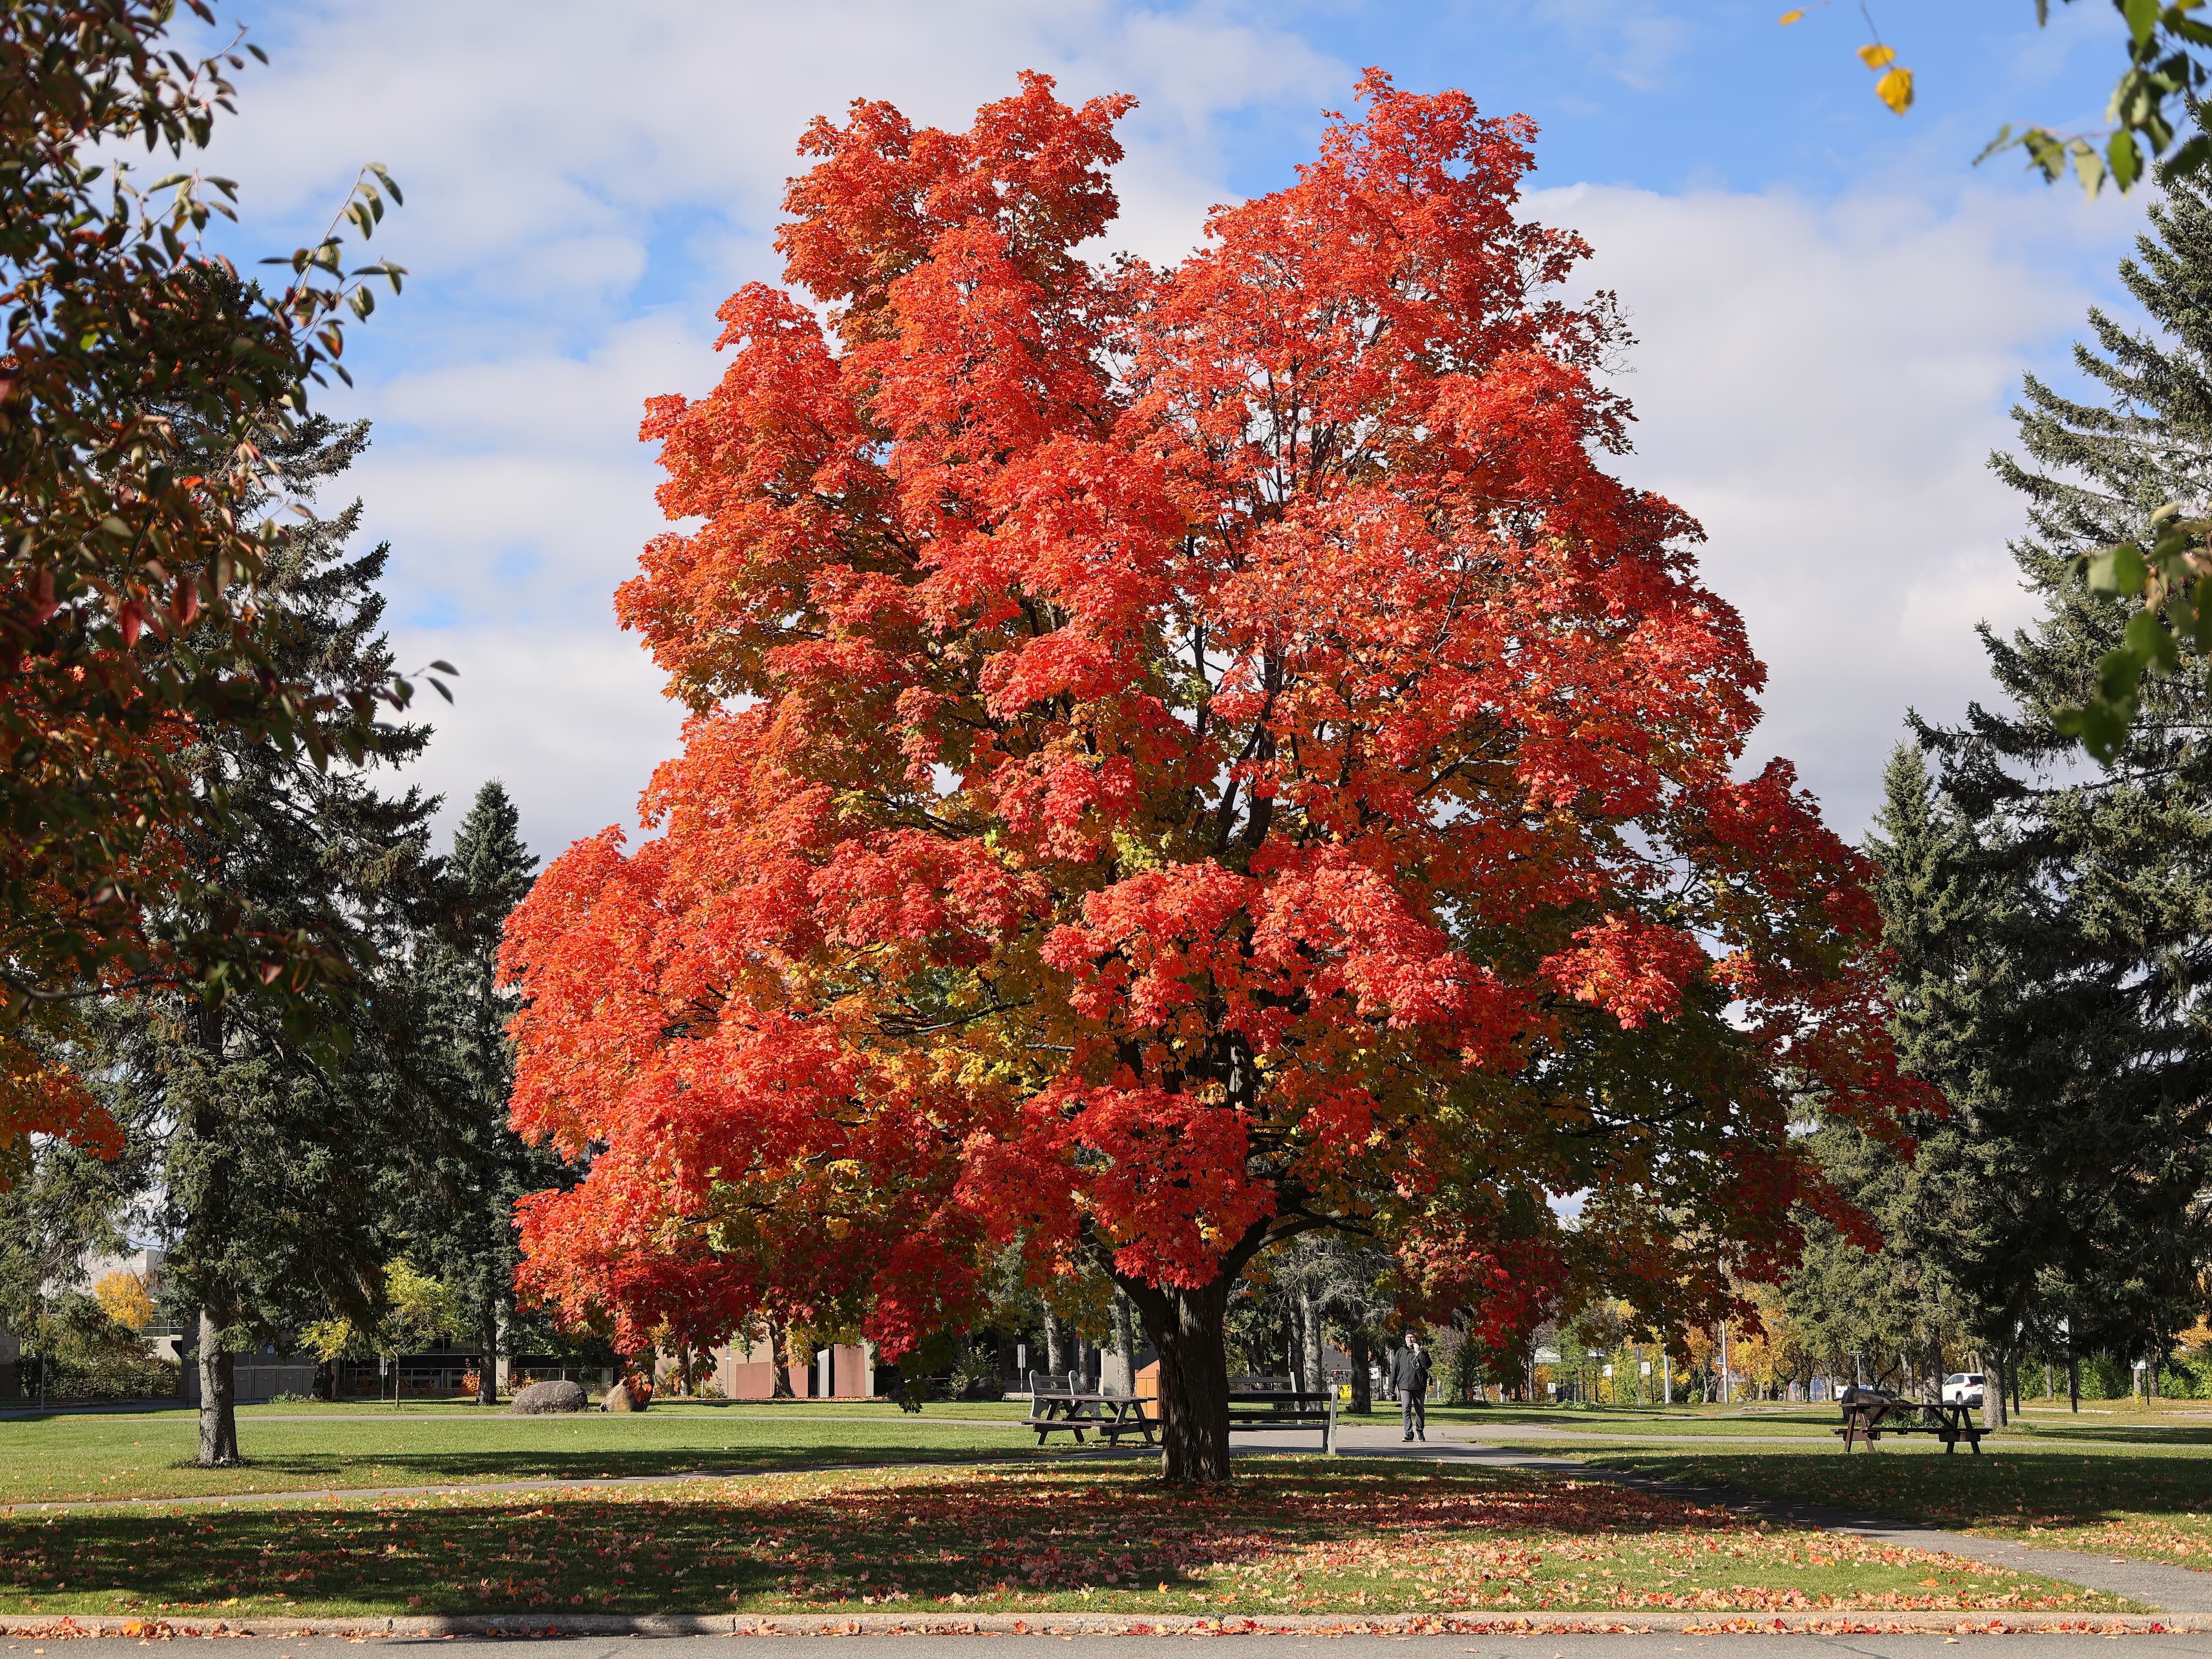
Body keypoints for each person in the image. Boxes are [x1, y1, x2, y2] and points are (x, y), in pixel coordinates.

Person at [1391, 1335, 1431, 1441]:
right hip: (1404, 1385)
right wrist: (1392, 1386)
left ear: (1416, 1339)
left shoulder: (1422, 1351)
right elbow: (1395, 1369)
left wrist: (1419, 1352)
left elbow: (1427, 1365)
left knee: (1420, 1410)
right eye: (1407, 1337)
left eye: (1412, 1337)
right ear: (1405, 1339)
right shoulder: (1401, 1352)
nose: (1410, 1339)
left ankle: (1420, 1430)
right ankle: (1409, 1433)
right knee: (1406, 1409)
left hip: (1419, 1385)